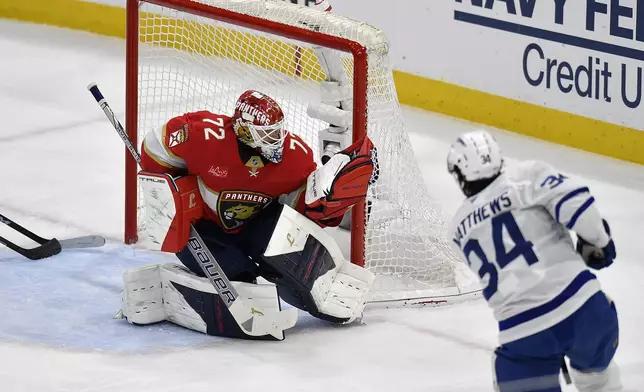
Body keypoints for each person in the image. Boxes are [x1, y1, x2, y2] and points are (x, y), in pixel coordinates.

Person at [119, 89, 376, 341]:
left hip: (255, 226)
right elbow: (154, 146)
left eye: (278, 131)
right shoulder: (203, 135)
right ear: (243, 130)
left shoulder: (295, 156)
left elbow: (298, 208)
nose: (277, 139)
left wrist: (325, 200)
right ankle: (180, 294)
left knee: (286, 240)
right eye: (268, 134)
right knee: (240, 276)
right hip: (204, 228)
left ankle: (324, 287)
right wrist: (168, 189)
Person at [446, 130, 621, 391]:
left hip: (523, 334)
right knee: (599, 380)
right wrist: (600, 243)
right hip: (585, 312)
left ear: (460, 175)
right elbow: (579, 207)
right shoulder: (526, 177)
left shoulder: (458, 229)